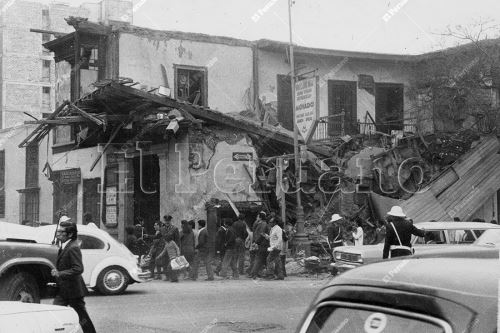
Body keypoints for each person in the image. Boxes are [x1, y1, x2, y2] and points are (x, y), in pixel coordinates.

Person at [51, 220, 96, 333]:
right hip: (64, 289)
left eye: (61, 232)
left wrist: (60, 273)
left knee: (82, 317)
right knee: (56, 311)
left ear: (70, 234)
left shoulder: (73, 247)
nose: (58, 233)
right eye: (58, 231)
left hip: (73, 290)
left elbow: (78, 269)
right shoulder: (65, 245)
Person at [249, 212, 269, 279]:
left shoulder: (260, 224)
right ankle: (254, 273)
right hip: (262, 244)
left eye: (257, 217)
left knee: (260, 259)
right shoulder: (263, 224)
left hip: (260, 243)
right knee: (260, 259)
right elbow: (262, 234)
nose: (256, 218)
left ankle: (255, 273)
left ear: (260, 217)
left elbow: (260, 234)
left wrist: (256, 242)